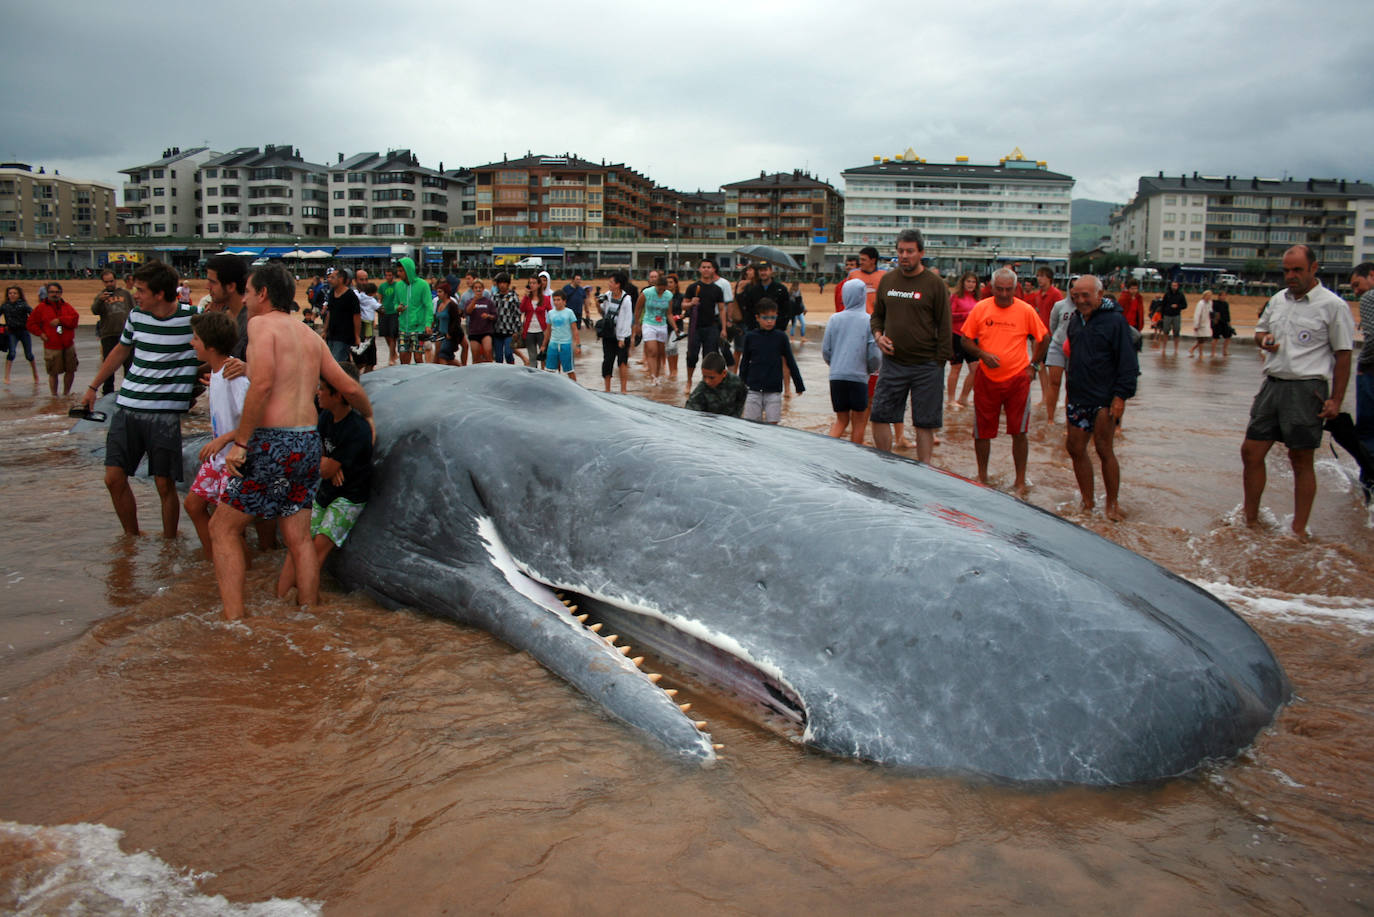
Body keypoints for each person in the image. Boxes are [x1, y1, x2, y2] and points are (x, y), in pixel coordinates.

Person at [212, 262, 374, 620]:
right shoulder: (308, 334)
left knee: (221, 528)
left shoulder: (260, 325)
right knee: (299, 537)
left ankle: (232, 621)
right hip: (307, 442)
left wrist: (241, 443)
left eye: (250, 292)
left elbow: (265, 384)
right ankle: (308, 614)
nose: (248, 299)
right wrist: (370, 414)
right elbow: (348, 386)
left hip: (273, 442)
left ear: (263, 294)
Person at [78, 261, 199, 537]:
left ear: (159, 293)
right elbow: (121, 351)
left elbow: (213, 350)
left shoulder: (194, 318)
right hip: (127, 408)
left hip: (165, 414)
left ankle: (169, 543)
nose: (136, 295)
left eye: (141, 290)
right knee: (113, 478)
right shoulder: (136, 316)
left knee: (164, 484)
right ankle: (131, 540)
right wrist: (92, 387)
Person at [1242, 245, 1354, 539]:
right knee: (1251, 452)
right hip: (1272, 385)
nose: (1290, 276)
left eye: (1297, 270)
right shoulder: (1278, 299)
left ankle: (1298, 531)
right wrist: (1263, 340)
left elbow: (1343, 355)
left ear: (1314, 268)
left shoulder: (1333, 305)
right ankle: (1250, 522)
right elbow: (1259, 332)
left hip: (1308, 389)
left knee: (1301, 459)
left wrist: (1336, 401)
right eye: (1286, 270)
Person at [276, 362, 373, 601]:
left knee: (316, 549)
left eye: (321, 388)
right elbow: (321, 461)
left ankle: (303, 607)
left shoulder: (357, 429)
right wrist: (326, 463)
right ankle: (279, 603)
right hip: (326, 491)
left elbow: (322, 464)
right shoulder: (326, 418)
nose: (317, 393)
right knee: (297, 545)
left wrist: (327, 464)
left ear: (338, 394)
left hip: (349, 498)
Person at [959, 269, 1050, 496]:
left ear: (1015, 289)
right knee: (982, 432)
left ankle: (1020, 481)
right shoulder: (981, 308)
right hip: (987, 379)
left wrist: (1034, 366)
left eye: (1009, 290)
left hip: (1018, 378)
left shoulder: (1025, 310)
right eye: (999, 289)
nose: (1004, 294)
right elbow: (965, 339)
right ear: (992, 287)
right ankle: (983, 476)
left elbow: (1044, 337)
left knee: (1019, 431)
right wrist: (982, 354)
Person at [1057, 276, 1139, 521]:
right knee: (1074, 447)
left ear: (1099, 295)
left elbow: (1129, 363)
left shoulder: (1115, 321)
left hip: (1105, 399)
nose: (1081, 301)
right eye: (1076, 296)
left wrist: (1120, 397)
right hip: (1078, 397)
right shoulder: (1075, 322)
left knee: (1104, 449)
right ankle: (1088, 502)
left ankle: (1112, 505)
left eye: (1086, 296)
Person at [869, 229, 951, 460]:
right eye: (901, 251)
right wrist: (878, 336)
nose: (904, 256)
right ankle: (885, 464)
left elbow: (945, 326)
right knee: (879, 415)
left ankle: (923, 472)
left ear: (921, 253)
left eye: (910, 251)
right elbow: (877, 316)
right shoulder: (888, 280)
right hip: (894, 362)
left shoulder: (935, 284)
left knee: (924, 424)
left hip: (927, 365)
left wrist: (939, 363)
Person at [183, 310, 250, 561]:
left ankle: (242, 570)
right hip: (218, 458)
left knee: (231, 529)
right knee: (193, 504)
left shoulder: (235, 377)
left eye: (196, 339)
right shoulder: (219, 373)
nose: (192, 343)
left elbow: (254, 421)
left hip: (233, 460)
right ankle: (216, 561)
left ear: (210, 346)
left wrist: (223, 439)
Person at [823, 277, 881, 443]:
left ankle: (826, 451)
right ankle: (854, 460)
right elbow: (874, 354)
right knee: (859, 422)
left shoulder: (834, 319)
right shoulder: (868, 320)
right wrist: (870, 370)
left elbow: (826, 350)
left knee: (841, 420)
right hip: (858, 377)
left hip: (836, 377)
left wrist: (835, 365)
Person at [738, 299, 803, 423]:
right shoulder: (750, 337)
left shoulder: (781, 337)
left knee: (773, 424)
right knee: (750, 423)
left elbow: (790, 361)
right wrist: (741, 384)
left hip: (774, 389)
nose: (769, 321)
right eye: (765, 317)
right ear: (757, 317)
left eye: (773, 317)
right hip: (753, 388)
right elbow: (744, 362)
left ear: (777, 316)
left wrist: (798, 384)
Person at [683, 259, 728, 394]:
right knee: (692, 355)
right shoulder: (692, 287)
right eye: (704, 267)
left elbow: (721, 310)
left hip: (711, 327)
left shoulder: (717, 289)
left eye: (709, 267)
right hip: (695, 327)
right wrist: (691, 303)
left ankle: (706, 383)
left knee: (709, 357)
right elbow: (683, 305)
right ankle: (689, 380)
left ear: (714, 270)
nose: (706, 269)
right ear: (700, 270)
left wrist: (724, 328)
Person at [29, 282, 80, 396]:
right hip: (51, 345)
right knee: (53, 373)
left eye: (57, 292)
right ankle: (54, 395)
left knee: (71, 370)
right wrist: (41, 334)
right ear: (47, 293)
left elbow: (75, 320)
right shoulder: (40, 308)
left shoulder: (67, 307)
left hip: (68, 345)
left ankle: (66, 393)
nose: (54, 294)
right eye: (52, 292)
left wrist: (61, 320)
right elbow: (31, 324)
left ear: (61, 293)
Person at [91, 270, 135, 394]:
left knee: (129, 365)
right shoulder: (100, 296)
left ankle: (129, 390)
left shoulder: (125, 294)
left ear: (115, 280)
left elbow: (134, 309)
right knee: (109, 365)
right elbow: (94, 311)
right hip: (108, 335)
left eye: (111, 281)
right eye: (106, 282)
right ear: (103, 282)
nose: (110, 284)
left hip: (126, 334)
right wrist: (100, 300)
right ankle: (107, 392)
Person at [1351, 263, 1374, 469]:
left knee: (1367, 433)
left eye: (1357, 284)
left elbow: (1373, 337)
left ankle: (1368, 487)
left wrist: (1362, 363)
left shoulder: (1369, 298)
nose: (1356, 292)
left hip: (1371, 373)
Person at [946, 271, 980, 409]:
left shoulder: (978, 299)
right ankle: (951, 399)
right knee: (956, 367)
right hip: (957, 335)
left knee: (976, 369)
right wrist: (966, 315)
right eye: (968, 281)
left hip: (973, 337)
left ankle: (964, 397)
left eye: (973, 282)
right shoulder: (955, 297)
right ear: (963, 282)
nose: (971, 284)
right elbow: (949, 315)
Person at [599, 271, 634, 393]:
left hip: (622, 336)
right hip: (608, 334)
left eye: (611, 282)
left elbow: (627, 320)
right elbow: (603, 313)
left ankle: (623, 389)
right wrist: (598, 303)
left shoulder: (626, 299)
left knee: (622, 362)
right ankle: (607, 389)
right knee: (607, 360)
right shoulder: (607, 296)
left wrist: (622, 338)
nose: (609, 284)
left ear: (618, 284)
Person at [394, 256, 433, 365]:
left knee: (418, 358)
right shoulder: (398, 286)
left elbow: (428, 306)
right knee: (403, 358)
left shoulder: (423, 285)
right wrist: (397, 308)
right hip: (403, 327)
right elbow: (395, 303)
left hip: (418, 327)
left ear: (408, 270)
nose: (399, 273)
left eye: (401, 271)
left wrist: (428, 324)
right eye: (398, 271)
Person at [637, 269, 672, 384]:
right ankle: (653, 377)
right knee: (652, 351)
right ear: (655, 285)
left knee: (660, 353)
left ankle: (657, 375)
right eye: (659, 289)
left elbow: (669, 314)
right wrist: (637, 324)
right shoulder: (647, 293)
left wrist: (676, 328)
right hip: (648, 323)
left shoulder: (669, 295)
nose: (661, 291)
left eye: (663, 289)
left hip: (662, 325)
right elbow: (638, 308)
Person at [685, 351, 746, 416]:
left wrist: (735, 417)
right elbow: (690, 409)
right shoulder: (702, 388)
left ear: (724, 373)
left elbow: (742, 399)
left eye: (711, 378)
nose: (707, 381)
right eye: (704, 376)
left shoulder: (736, 382)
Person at [321, 266, 361, 365]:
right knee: (339, 362)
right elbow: (330, 313)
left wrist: (357, 336)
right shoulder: (331, 294)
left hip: (344, 336)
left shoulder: (350, 296)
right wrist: (325, 331)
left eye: (333, 278)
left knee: (336, 363)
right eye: (329, 278)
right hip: (332, 335)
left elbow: (356, 316)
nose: (330, 280)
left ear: (341, 279)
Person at [2, 285, 38, 384]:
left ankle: (36, 375)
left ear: (19, 295)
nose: (12, 295)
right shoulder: (5, 305)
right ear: (7, 295)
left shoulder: (24, 305)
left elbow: (33, 315)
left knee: (29, 355)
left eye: (15, 293)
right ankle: (7, 377)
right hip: (11, 333)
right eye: (10, 293)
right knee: (12, 353)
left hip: (24, 332)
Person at [544, 290, 580, 380]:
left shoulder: (569, 312)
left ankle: (575, 389)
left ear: (564, 301)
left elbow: (575, 330)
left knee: (569, 370)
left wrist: (578, 345)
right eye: (554, 300)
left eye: (558, 300)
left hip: (566, 344)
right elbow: (548, 331)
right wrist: (544, 345)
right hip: (553, 344)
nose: (556, 302)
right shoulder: (550, 313)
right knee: (549, 370)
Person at [520, 277, 551, 370]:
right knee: (532, 357)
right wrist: (525, 296)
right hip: (529, 331)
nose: (532, 285)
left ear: (538, 285)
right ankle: (534, 377)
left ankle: (545, 376)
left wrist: (550, 330)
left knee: (544, 356)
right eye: (530, 283)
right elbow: (521, 309)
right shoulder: (527, 298)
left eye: (534, 283)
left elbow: (551, 312)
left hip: (542, 331)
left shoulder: (545, 299)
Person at [491, 272, 522, 364]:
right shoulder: (494, 297)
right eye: (500, 283)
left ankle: (512, 371)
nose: (502, 285)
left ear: (508, 284)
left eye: (504, 283)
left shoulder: (513, 296)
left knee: (508, 353)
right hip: (497, 331)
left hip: (510, 331)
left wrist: (517, 330)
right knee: (498, 357)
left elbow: (517, 314)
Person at [465, 279, 497, 363]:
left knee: (488, 352)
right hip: (474, 332)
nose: (478, 289)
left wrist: (488, 316)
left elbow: (495, 316)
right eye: (476, 288)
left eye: (480, 287)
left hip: (486, 331)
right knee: (476, 357)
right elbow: (467, 312)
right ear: (473, 289)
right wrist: (474, 301)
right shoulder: (469, 301)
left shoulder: (488, 302)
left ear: (483, 289)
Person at [378, 266, 401, 365]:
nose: (388, 277)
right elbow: (380, 299)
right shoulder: (382, 286)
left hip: (394, 313)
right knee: (386, 335)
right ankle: (393, 353)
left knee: (392, 336)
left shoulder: (398, 285)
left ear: (393, 276)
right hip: (384, 313)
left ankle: (391, 357)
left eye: (390, 275)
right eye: (386, 275)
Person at [1158, 280, 1187, 354]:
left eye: (1175, 285)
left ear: (1177, 286)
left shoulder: (1180, 295)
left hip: (1176, 315)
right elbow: (1163, 305)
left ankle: (1176, 349)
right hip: (1167, 315)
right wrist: (1162, 316)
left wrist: (1178, 306)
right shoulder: (1167, 294)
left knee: (1176, 332)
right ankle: (1164, 348)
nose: (1174, 287)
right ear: (1171, 286)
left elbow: (1185, 305)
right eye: (1173, 285)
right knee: (1165, 332)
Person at [1189, 290, 1215, 357]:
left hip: (1207, 322)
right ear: (1204, 296)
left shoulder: (1210, 302)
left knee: (1205, 338)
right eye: (1208, 295)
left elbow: (1211, 311)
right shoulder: (1200, 303)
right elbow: (1197, 314)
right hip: (1200, 322)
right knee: (1201, 339)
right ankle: (1201, 354)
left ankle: (1192, 349)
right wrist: (1196, 324)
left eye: (1210, 295)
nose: (1209, 297)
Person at [1209, 291, 1234, 357]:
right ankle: (1213, 352)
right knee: (1215, 338)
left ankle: (1224, 351)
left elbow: (1227, 314)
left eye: (1225, 296)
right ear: (1219, 296)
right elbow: (1211, 312)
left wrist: (1229, 323)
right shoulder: (1214, 303)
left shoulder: (1226, 304)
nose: (1224, 297)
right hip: (1217, 323)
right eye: (1222, 295)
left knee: (1228, 336)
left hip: (1225, 322)